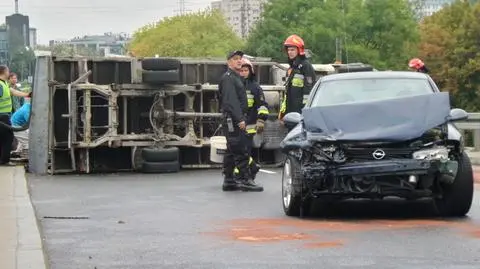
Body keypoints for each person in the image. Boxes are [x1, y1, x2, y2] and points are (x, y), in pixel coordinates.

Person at [219, 50, 263, 192]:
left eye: (240, 59)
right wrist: (240, 119)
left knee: (231, 151)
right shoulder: (228, 78)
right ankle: (246, 180)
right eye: (235, 59)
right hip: (234, 120)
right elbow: (231, 102)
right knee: (240, 149)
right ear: (229, 62)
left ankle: (229, 180)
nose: (239, 61)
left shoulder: (234, 77)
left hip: (233, 119)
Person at [232, 57, 269, 184]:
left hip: (250, 125)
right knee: (238, 150)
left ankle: (242, 175)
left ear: (250, 71)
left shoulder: (255, 87)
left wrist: (261, 120)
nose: (243, 73)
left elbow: (263, 105)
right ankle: (251, 168)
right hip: (237, 123)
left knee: (243, 150)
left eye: (245, 70)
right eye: (241, 70)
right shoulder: (235, 85)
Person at [278, 34, 316, 123]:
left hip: (300, 114)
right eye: (288, 50)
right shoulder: (293, 68)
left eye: (292, 49)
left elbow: (308, 90)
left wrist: (305, 113)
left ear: (299, 50)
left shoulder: (305, 66)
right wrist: (284, 113)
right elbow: (288, 94)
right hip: (291, 114)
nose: (289, 52)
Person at [0, 65, 15, 165]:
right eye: (8, 71)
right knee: (9, 137)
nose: (9, 72)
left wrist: (27, 94)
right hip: (2, 116)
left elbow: (13, 91)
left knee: (2, 138)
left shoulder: (4, 83)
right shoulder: (0, 85)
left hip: (4, 116)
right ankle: (5, 161)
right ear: (4, 72)